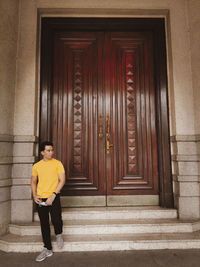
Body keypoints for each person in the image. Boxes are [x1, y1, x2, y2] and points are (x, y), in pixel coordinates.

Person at [31, 141, 65, 262]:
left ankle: (59, 234)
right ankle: (47, 248)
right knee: (44, 224)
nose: (51, 152)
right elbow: (33, 182)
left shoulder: (57, 164)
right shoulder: (36, 166)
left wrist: (54, 195)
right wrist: (35, 195)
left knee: (56, 219)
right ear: (42, 152)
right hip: (41, 198)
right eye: (48, 150)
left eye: (52, 150)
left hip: (54, 196)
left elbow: (62, 180)